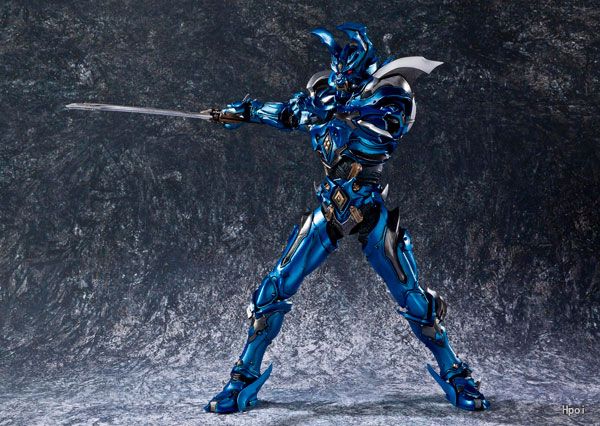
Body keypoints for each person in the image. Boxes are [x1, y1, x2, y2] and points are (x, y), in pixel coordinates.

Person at [204, 22, 490, 413]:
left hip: (369, 212)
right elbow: (284, 114)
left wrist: (338, 108)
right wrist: (241, 112)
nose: (342, 80)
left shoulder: (388, 96)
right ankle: (243, 378)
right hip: (330, 209)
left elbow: (390, 130)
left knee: (414, 299)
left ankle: (456, 374)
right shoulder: (321, 101)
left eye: (350, 73)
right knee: (272, 291)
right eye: (339, 73)